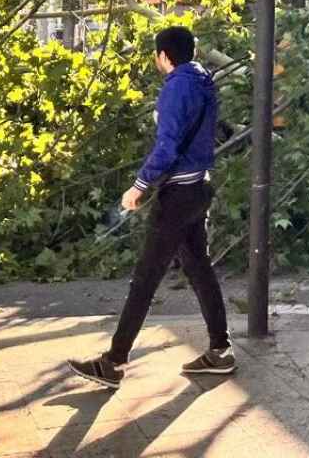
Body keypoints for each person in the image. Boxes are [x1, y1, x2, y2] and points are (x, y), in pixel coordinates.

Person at [69, 27, 232, 389]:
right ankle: (220, 351)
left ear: (163, 55)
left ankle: (112, 363)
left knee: (145, 279)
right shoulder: (204, 80)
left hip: (176, 196)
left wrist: (139, 185)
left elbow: (168, 145)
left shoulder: (176, 86)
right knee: (199, 270)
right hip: (199, 186)